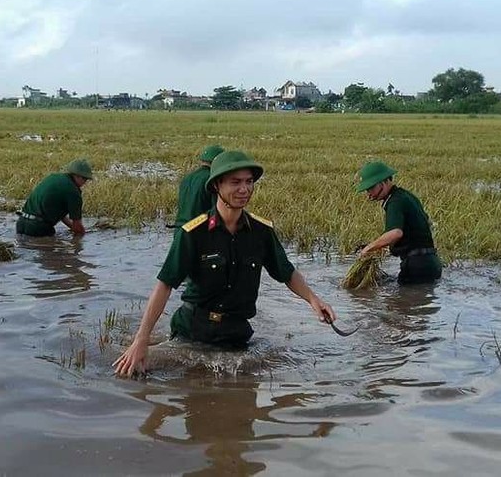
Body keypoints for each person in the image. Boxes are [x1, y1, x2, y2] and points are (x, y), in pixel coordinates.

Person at [114, 150, 337, 377]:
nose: (244, 189)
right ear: (216, 186)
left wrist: (313, 300)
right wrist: (141, 340)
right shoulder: (193, 233)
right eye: (235, 182)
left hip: (236, 335)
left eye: (249, 182)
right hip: (193, 333)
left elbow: (286, 273)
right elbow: (165, 285)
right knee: (139, 372)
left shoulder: (261, 232)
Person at [355, 161, 442, 284]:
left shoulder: (395, 202)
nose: (369, 193)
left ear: (383, 183)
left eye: (371, 188)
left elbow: (395, 233)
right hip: (431, 263)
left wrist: (368, 249)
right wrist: (380, 247)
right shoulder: (405, 196)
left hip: (417, 266)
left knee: (400, 301)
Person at [17, 159, 93, 237]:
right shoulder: (74, 192)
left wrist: (72, 227)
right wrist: (83, 235)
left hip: (21, 222)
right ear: (77, 176)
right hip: (39, 228)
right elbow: (77, 225)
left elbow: (61, 215)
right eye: (85, 179)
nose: (85, 182)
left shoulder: (53, 177)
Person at [173, 145, 224, 227]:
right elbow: (216, 211)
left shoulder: (187, 178)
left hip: (180, 228)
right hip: (198, 229)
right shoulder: (211, 179)